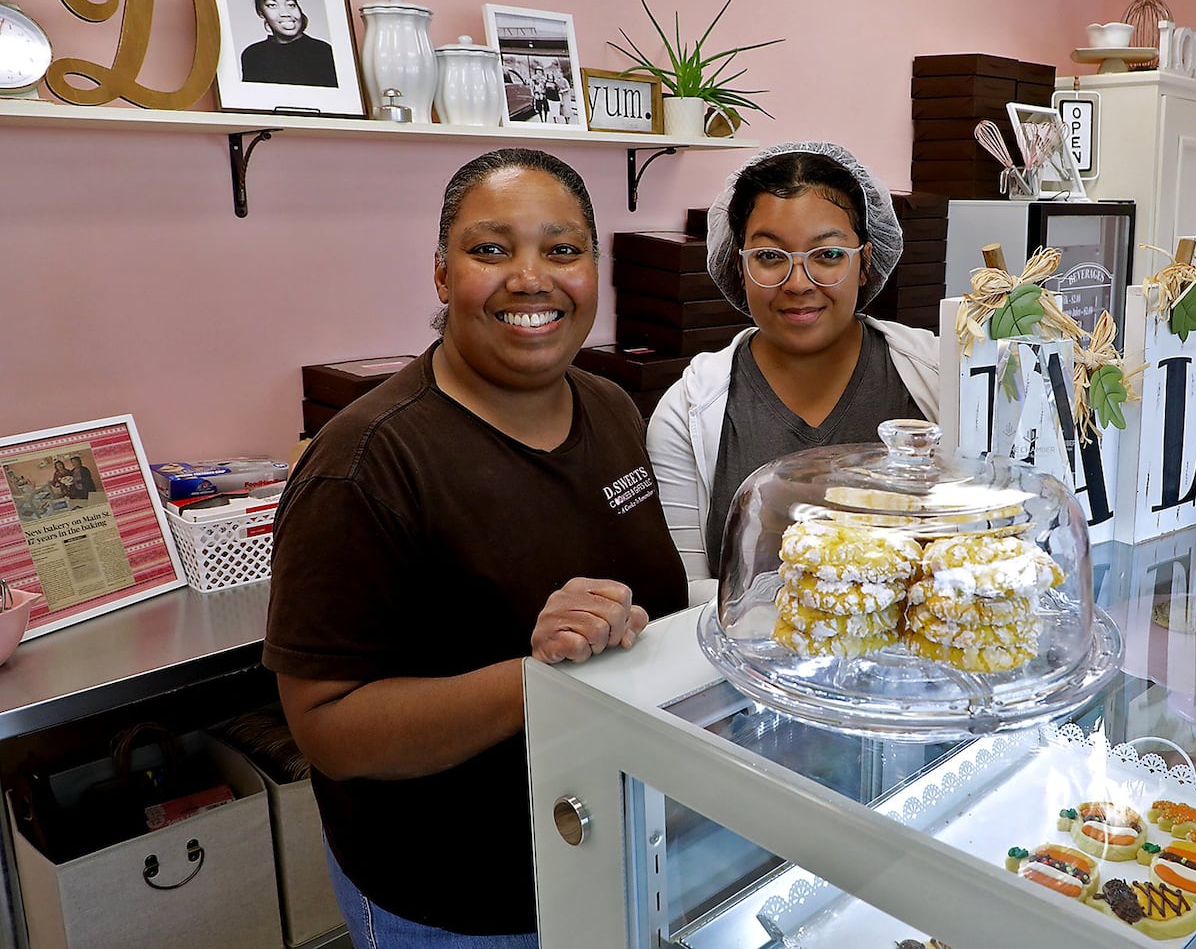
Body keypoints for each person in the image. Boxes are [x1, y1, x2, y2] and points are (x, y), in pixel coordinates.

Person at [263, 147, 688, 946]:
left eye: (562, 250)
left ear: (595, 270)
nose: (531, 278)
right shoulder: (365, 463)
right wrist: (537, 681)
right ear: (440, 275)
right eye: (490, 250)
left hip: (615, 855)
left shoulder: (611, 405)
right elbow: (326, 726)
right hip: (459, 902)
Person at [646, 141, 939, 598]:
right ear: (738, 266)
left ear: (865, 262)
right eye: (769, 257)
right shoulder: (686, 413)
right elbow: (683, 594)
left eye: (828, 255)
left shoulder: (939, 377)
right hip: (748, 662)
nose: (799, 283)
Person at [238, 0, 338, 87]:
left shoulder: (323, 52)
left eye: (290, 4)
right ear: (260, 11)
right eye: (272, 5)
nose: (285, 13)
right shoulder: (253, 55)